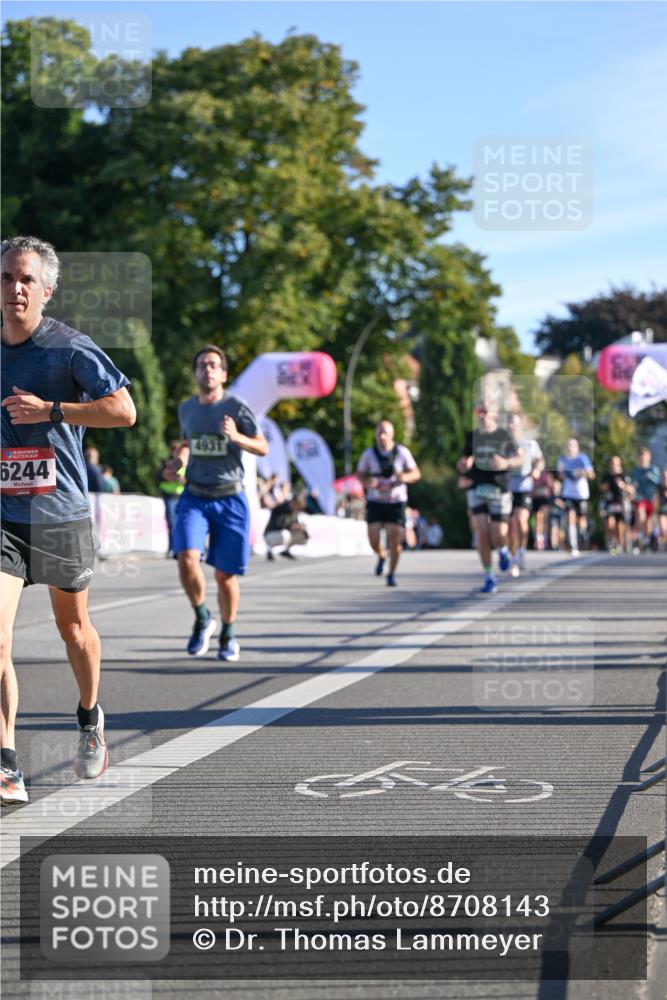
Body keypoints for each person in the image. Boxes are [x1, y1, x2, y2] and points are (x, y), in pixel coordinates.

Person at [1, 235, 136, 805]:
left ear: (47, 290)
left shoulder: (71, 349)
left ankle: (88, 716)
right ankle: (7, 760)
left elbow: (124, 411)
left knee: (73, 631)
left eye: (27, 279)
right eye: (7, 277)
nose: (15, 288)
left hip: (60, 515)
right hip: (4, 515)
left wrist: (52, 410)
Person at [163, 345, 268, 662]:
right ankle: (202, 617)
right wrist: (178, 462)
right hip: (195, 494)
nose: (207, 369)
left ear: (223, 374)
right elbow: (186, 444)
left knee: (225, 576)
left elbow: (262, 447)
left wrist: (237, 437)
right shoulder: (187, 409)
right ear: (195, 374)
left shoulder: (237, 406)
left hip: (230, 497)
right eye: (202, 365)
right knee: (186, 559)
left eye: (213, 365)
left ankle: (228, 634)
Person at [456, 402, 523, 594]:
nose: (482, 415)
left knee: (499, 534)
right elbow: (463, 462)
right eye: (479, 411)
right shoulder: (472, 436)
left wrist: (506, 462)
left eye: (485, 411)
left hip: (499, 488)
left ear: (494, 414)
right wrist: (463, 464)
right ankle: (488, 576)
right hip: (477, 487)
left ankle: (503, 550)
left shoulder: (503, 435)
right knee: (481, 533)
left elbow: (521, 457)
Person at [356, 420, 421, 587]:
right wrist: (367, 481)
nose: (382, 437)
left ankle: (391, 573)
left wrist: (403, 477)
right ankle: (382, 555)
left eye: (385, 433)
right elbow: (360, 474)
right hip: (375, 501)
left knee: (395, 539)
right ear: (375, 435)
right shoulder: (369, 454)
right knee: (373, 538)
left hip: (396, 501)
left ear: (392, 435)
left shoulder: (402, 452)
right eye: (379, 433)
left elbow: (416, 473)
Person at [507, 412, 544, 577]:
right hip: (507, 488)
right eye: (509, 422)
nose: (511, 425)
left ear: (520, 425)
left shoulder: (530, 444)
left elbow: (540, 460)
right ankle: (512, 555)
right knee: (510, 524)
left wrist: (536, 469)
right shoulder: (503, 442)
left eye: (514, 422)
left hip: (524, 486)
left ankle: (521, 550)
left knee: (521, 522)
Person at [557, 438, 595, 557]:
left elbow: (592, 475)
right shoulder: (562, 460)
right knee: (570, 516)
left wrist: (582, 472)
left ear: (577, 448)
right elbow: (560, 475)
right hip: (568, 493)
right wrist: (565, 473)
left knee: (581, 519)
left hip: (581, 494)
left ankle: (582, 535)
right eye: (568, 445)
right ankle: (573, 545)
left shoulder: (582, 459)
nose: (570, 448)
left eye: (573, 446)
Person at [599, 456, 634, 554]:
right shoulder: (607, 476)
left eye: (615, 463)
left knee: (620, 525)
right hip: (609, 503)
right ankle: (611, 542)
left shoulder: (624, 475)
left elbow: (631, 490)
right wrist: (605, 486)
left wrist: (623, 486)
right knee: (609, 523)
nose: (613, 465)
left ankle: (620, 544)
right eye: (612, 463)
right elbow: (601, 487)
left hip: (621, 502)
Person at [630, 446, 661, 553]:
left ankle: (646, 541)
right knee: (640, 516)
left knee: (649, 522)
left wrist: (650, 476)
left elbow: (659, 483)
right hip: (639, 498)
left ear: (649, 457)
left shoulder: (653, 469)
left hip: (651, 498)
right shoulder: (636, 470)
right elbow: (632, 483)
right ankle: (637, 540)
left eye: (645, 456)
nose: (643, 458)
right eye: (641, 456)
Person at [159, 440, 185, 556]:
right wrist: (170, 476)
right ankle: (173, 548)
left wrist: (182, 479)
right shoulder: (166, 462)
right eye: (174, 450)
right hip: (169, 496)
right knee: (172, 523)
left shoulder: (186, 462)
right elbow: (160, 477)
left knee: (182, 523)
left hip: (182, 496)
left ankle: (180, 547)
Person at [264, 493, 309, 560]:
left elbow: (295, 523)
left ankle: (286, 550)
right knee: (285, 534)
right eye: (298, 505)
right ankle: (269, 550)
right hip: (271, 533)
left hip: (285, 532)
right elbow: (277, 524)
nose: (298, 508)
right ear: (293, 502)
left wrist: (300, 528)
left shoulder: (294, 511)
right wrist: (291, 526)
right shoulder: (280, 509)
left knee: (302, 536)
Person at [657, 468, 667, 553]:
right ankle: (662, 544)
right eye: (664, 477)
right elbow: (655, 501)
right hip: (662, 511)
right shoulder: (659, 488)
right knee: (663, 529)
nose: (665, 479)